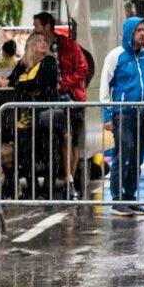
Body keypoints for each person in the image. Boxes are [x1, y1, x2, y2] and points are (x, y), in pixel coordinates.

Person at [100, 17, 144, 217]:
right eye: (138, 30)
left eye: (143, 30)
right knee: (124, 155)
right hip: (124, 115)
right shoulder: (116, 56)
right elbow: (105, 89)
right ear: (129, 32)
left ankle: (130, 197)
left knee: (137, 158)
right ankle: (117, 200)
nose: (141, 33)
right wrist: (107, 116)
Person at [33, 11, 88, 199]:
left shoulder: (68, 45)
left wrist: (63, 82)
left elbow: (83, 69)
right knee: (55, 143)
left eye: (37, 25)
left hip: (70, 100)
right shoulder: (38, 47)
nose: (34, 29)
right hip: (50, 103)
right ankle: (57, 183)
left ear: (47, 26)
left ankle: (69, 181)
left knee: (70, 142)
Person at [2, 32, 59, 198]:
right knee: (25, 154)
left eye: (44, 40)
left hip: (45, 114)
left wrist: (15, 83)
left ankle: (47, 191)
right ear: (31, 45)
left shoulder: (49, 62)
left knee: (49, 153)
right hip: (26, 116)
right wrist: (11, 82)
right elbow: (10, 79)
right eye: (39, 40)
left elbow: (38, 81)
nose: (43, 43)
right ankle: (33, 190)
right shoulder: (23, 64)